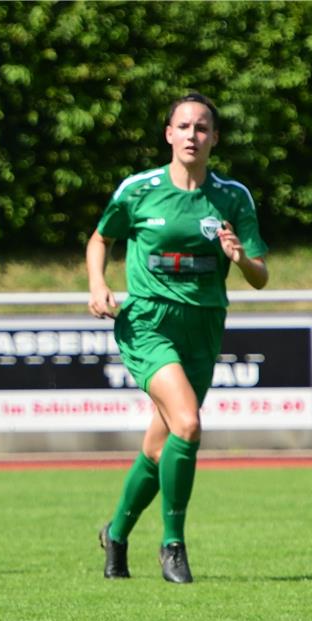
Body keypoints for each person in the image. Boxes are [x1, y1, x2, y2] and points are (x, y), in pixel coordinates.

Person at [86, 92, 269, 583]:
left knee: (157, 444)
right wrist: (98, 284)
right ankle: (173, 546)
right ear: (169, 134)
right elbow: (101, 237)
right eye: (184, 126)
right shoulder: (139, 189)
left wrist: (240, 259)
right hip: (149, 322)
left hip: (204, 324)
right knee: (187, 424)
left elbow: (260, 274)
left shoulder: (232, 197)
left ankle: (117, 534)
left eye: (203, 127)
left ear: (214, 138)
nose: (193, 135)